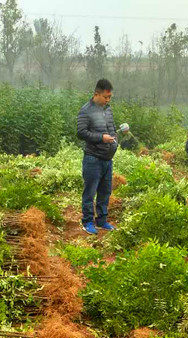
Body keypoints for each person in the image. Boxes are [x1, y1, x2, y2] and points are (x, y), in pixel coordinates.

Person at [77, 78, 118, 235]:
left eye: (110, 97)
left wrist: (116, 138)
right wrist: (101, 138)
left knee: (105, 191)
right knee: (90, 191)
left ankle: (102, 220)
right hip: (93, 158)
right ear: (96, 94)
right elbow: (81, 132)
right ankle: (87, 222)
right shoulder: (86, 110)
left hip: (107, 159)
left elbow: (112, 128)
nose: (108, 100)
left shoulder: (107, 110)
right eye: (105, 97)